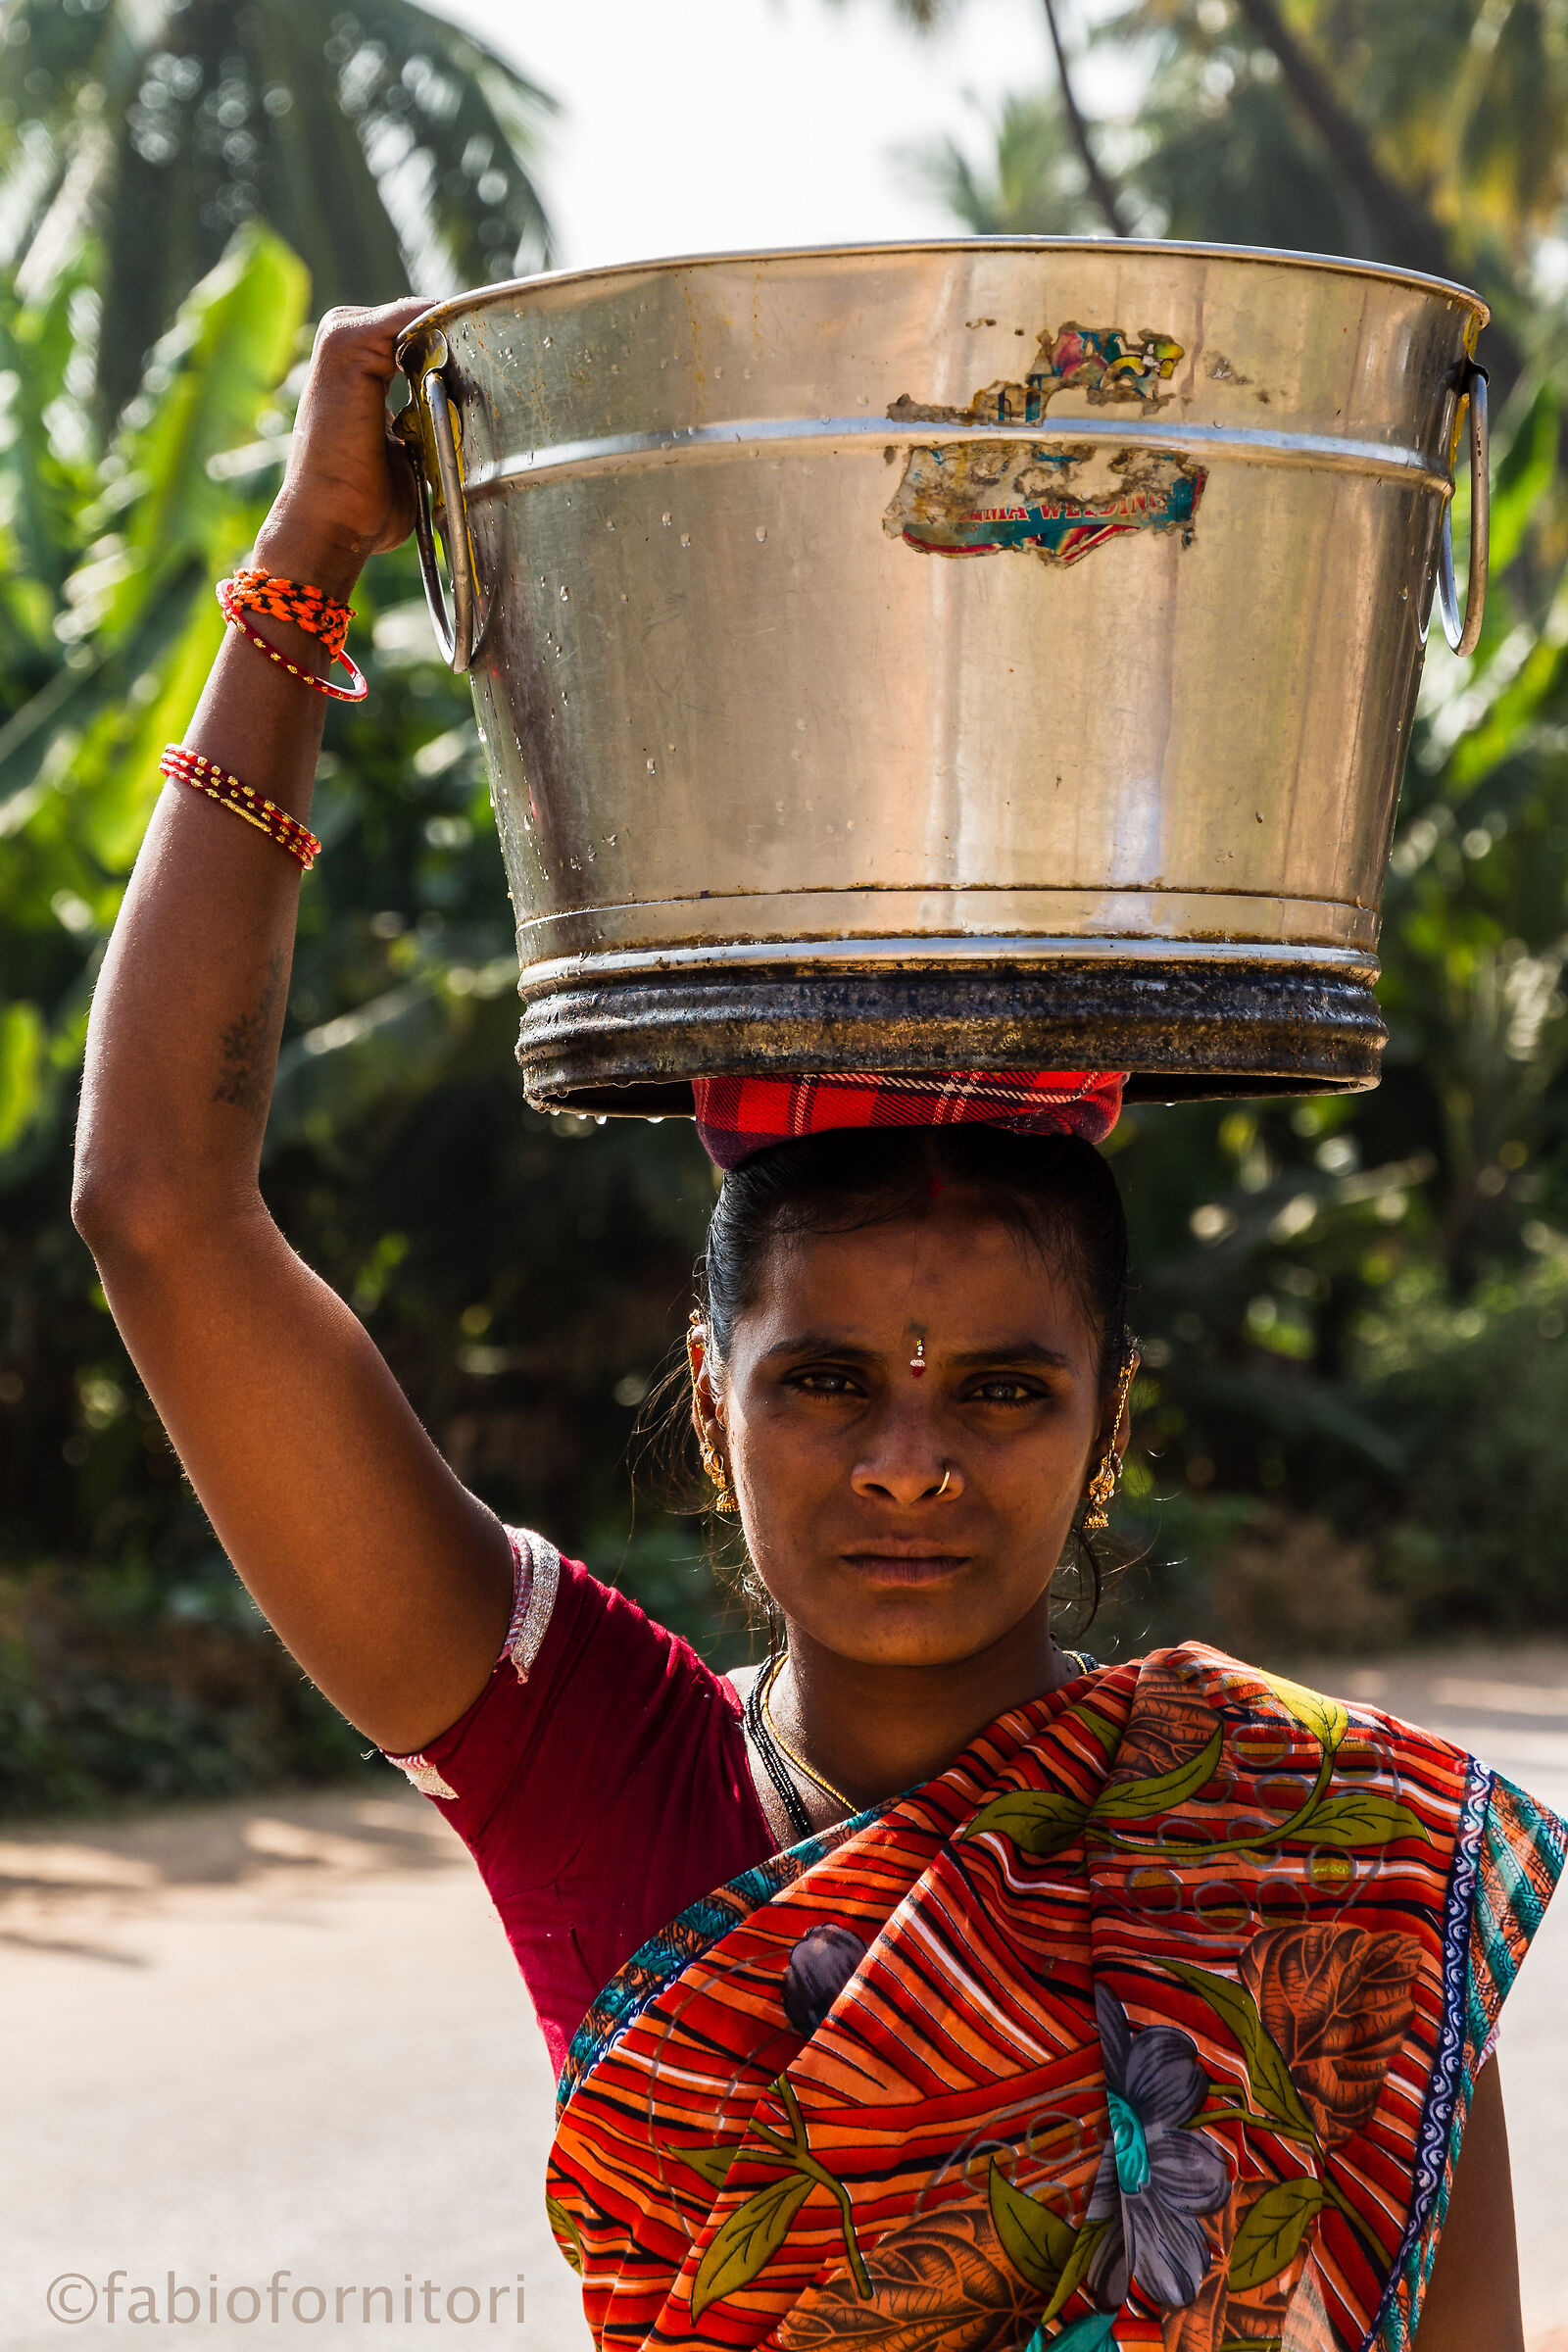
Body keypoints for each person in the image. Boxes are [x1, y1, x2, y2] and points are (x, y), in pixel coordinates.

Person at [73, 303, 1559, 2352]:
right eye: (829, 1379)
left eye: (1006, 1388)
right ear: (712, 1399)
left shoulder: (1317, 1872)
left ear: (1111, 1415)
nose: (910, 1461)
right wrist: (310, 558)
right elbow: (159, 1210)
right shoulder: (594, 1770)